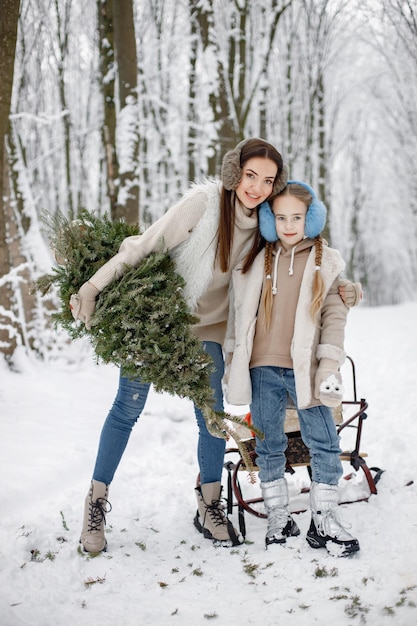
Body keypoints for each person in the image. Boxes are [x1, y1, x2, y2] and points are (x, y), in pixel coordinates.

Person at [70, 141, 361, 553]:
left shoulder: (266, 227)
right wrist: (94, 285)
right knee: (127, 407)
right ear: (234, 174)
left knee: (211, 415)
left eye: (267, 180)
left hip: (208, 332)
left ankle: (208, 504)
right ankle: (96, 502)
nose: (257, 187)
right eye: (250, 176)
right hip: (162, 321)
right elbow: (146, 244)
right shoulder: (202, 206)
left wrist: (341, 286)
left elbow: (305, 257)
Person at [224, 180, 360, 557]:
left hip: (306, 369)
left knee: (325, 441)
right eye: (280, 217)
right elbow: (238, 317)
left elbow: (334, 315)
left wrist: (328, 364)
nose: (288, 225)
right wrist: (233, 361)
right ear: (269, 220)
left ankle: (324, 518)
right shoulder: (255, 260)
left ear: (311, 218)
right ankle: (278, 515)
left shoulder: (324, 260)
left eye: (296, 217)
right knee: (268, 445)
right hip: (262, 368)